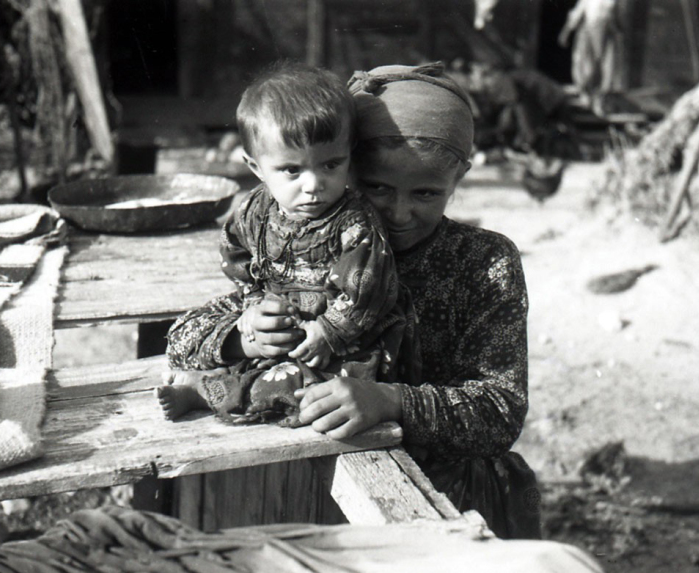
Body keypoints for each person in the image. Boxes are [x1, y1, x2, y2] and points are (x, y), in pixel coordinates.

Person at [166, 62, 540, 539]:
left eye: (426, 193)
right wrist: (244, 335)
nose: (399, 213)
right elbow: (181, 339)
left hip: (446, 505)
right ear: (346, 164)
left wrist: (391, 401)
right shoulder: (306, 245)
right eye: (377, 187)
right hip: (295, 495)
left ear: (460, 176)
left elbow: (500, 410)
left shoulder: (482, 263)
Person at [157, 62, 414, 426]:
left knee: (307, 386)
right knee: (196, 332)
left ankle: (207, 391)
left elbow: (366, 289)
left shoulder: (354, 222)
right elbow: (235, 254)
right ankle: (223, 372)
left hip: (339, 336)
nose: (313, 184)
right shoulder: (254, 210)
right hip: (280, 317)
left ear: (350, 155)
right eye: (292, 170)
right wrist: (253, 306)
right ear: (256, 167)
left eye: (330, 165)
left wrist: (328, 332)